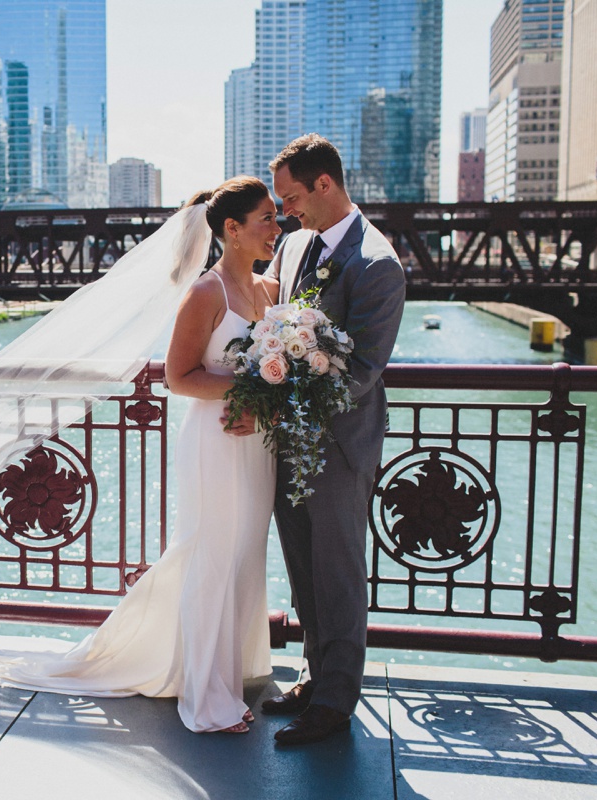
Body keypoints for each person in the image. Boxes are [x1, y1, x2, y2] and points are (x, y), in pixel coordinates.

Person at [0, 177, 284, 734]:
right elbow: (178, 378)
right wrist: (252, 391)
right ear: (232, 230)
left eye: (277, 215)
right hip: (214, 443)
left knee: (243, 552)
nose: (276, 226)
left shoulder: (271, 290)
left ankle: (233, 668)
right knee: (211, 556)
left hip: (256, 443)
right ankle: (206, 699)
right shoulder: (205, 294)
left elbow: (280, 368)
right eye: (266, 217)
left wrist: (275, 396)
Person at [227, 133, 405, 745]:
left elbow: (360, 371)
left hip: (340, 444)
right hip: (292, 441)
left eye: (293, 198)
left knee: (339, 573)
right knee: (304, 569)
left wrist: (281, 389)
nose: (286, 213)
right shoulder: (297, 244)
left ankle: (335, 703)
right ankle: (313, 674)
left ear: (325, 184)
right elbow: (268, 307)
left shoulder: (377, 263)